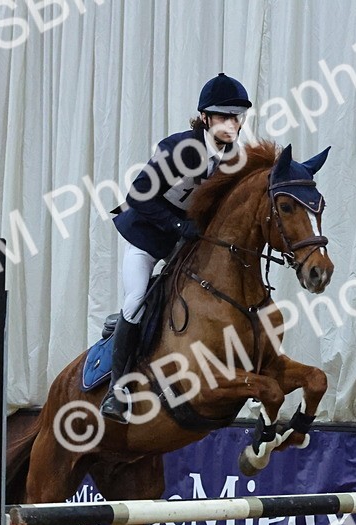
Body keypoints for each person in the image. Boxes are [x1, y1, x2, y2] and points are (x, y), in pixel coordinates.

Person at [102, 72, 253, 422]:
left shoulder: (234, 161)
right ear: (204, 118)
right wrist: (175, 224)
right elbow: (138, 195)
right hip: (149, 236)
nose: (232, 124)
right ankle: (118, 388)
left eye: (237, 117)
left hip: (187, 245)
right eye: (223, 117)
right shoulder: (178, 149)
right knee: (138, 297)